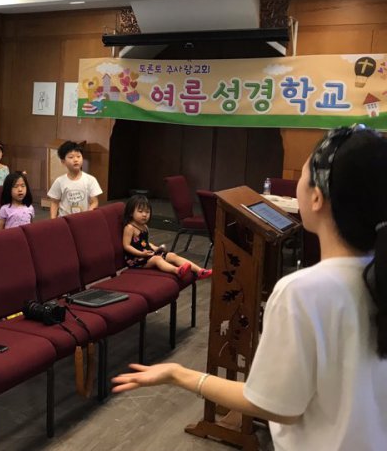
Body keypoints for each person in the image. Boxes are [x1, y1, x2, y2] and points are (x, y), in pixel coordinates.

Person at [112, 125, 387, 451]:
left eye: (302, 176)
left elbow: (275, 406)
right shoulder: (371, 278)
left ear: (316, 197)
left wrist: (178, 374)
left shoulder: (302, 292)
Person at [122, 194, 211, 280]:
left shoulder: (144, 227)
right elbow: (126, 246)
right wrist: (141, 254)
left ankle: (200, 271)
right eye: (140, 211)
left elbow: (145, 242)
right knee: (157, 259)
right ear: (131, 213)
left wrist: (157, 249)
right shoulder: (130, 228)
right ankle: (177, 271)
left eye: (147, 212)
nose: (144, 215)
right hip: (136, 260)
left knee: (172, 255)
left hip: (147, 255)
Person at [47, 140, 102, 218]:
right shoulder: (59, 181)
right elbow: (55, 203)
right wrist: (53, 220)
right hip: (64, 220)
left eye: (78, 156)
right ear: (63, 162)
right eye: (71, 157)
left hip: (84, 219)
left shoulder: (91, 180)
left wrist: (88, 215)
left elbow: (94, 202)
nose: (76, 160)